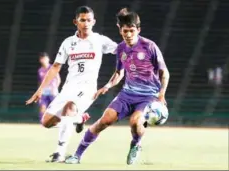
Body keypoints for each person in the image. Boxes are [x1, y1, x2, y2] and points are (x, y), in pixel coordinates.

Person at [65, 8, 170, 165]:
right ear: (119, 29)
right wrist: (107, 86)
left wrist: (161, 94)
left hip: (148, 96)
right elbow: (118, 73)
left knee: (135, 122)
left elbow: (165, 73)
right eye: (125, 31)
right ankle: (77, 155)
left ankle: (135, 144)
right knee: (104, 121)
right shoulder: (121, 48)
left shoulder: (149, 46)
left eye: (131, 31)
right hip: (127, 94)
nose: (128, 34)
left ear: (138, 30)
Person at [26, 6, 117, 162]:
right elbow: (55, 67)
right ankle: (79, 119)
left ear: (93, 21)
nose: (86, 23)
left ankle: (59, 153)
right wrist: (40, 90)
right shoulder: (68, 43)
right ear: (76, 22)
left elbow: (121, 50)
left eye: (89, 20)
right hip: (68, 88)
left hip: (87, 88)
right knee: (46, 122)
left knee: (70, 108)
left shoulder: (100, 40)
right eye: (82, 20)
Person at [37, 52, 61, 121]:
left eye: (45, 58)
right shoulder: (40, 70)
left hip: (53, 91)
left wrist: (55, 88)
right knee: (43, 107)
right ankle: (43, 122)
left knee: (55, 107)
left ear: (48, 59)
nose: (44, 60)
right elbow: (40, 82)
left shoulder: (52, 68)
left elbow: (58, 79)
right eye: (42, 59)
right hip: (44, 91)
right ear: (40, 60)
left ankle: (57, 121)